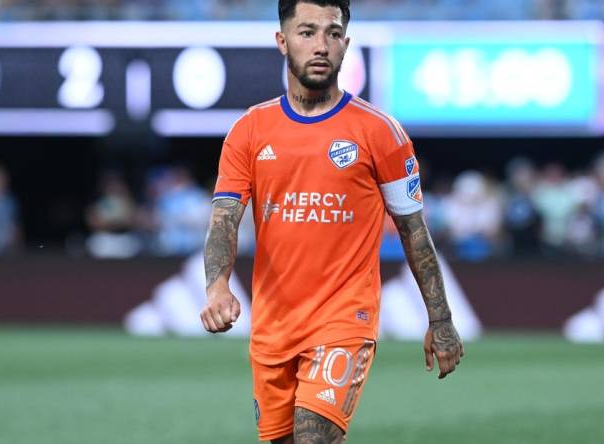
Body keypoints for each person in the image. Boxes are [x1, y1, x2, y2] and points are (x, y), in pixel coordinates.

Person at [199, 1, 464, 443]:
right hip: (273, 325)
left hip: (344, 318)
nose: (321, 45)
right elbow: (224, 219)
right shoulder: (249, 131)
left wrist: (441, 320)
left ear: (346, 42)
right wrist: (217, 285)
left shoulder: (381, 133)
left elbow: (414, 232)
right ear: (282, 41)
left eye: (332, 33)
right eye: (306, 33)